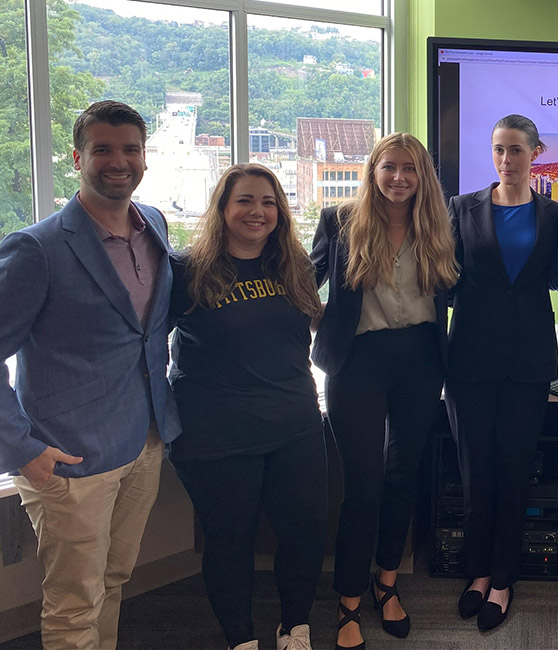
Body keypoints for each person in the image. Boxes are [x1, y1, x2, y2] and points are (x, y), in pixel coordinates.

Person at [0, 100, 180, 650]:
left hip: (144, 441)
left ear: (145, 159)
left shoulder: (154, 224)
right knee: (74, 605)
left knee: (114, 581)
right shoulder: (36, 248)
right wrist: (22, 448)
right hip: (71, 458)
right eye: (103, 149)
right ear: (77, 157)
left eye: (130, 149)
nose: (117, 161)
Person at [168, 164, 326, 650]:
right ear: (222, 208)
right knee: (229, 541)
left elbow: (315, 329)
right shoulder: (185, 271)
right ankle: (241, 639)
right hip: (216, 435)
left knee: (304, 535)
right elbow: (139, 341)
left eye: (269, 202)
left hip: (296, 426)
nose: (258, 212)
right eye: (245, 201)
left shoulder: (294, 266)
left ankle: (294, 627)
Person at [312, 132, 458, 650]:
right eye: (389, 167)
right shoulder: (340, 221)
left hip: (420, 359)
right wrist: (316, 323)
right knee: (364, 483)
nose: (399, 178)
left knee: (403, 475)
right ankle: (348, 596)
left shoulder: (441, 227)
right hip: (357, 361)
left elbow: (458, 290)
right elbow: (304, 281)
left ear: (423, 177)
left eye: (410, 169)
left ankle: (387, 579)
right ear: (372, 171)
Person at [444, 115, 558, 631]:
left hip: (530, 362)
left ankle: (503, 578)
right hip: (469, 360)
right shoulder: (461, 208)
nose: (506, 160)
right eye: (498, 150)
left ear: (536, 152)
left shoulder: (556, 215)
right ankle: (476, 571)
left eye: (516, 149)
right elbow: (440, 278)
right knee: (476, 472)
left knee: (515, 471)